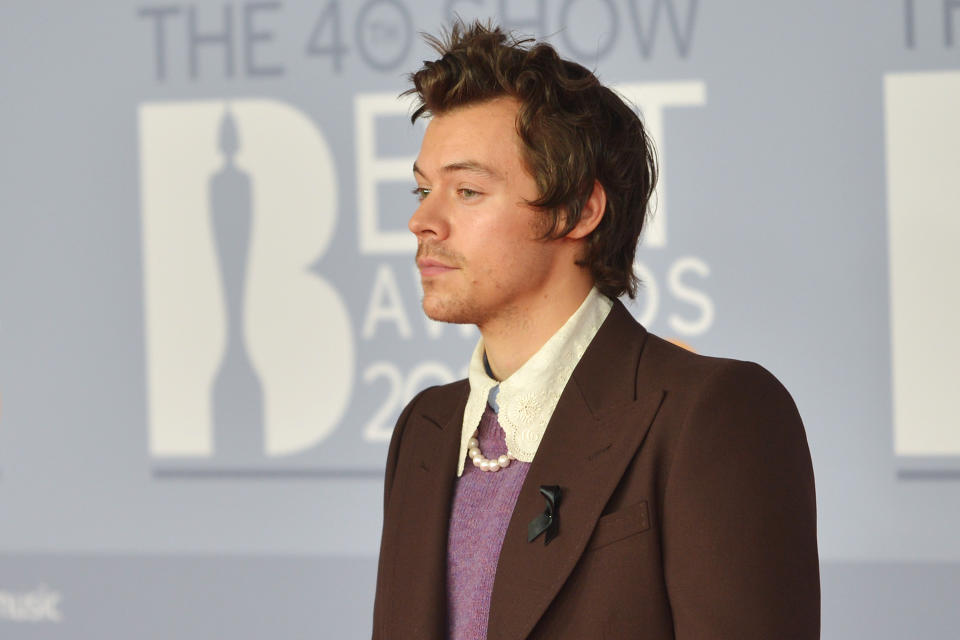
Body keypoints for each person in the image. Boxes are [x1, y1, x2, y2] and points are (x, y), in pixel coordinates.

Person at [372, 20, 819, 640]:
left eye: (467, 190)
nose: (423, 220)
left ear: (579, 210)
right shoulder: (424, 429)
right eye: (423, 190)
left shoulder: (710, 413)